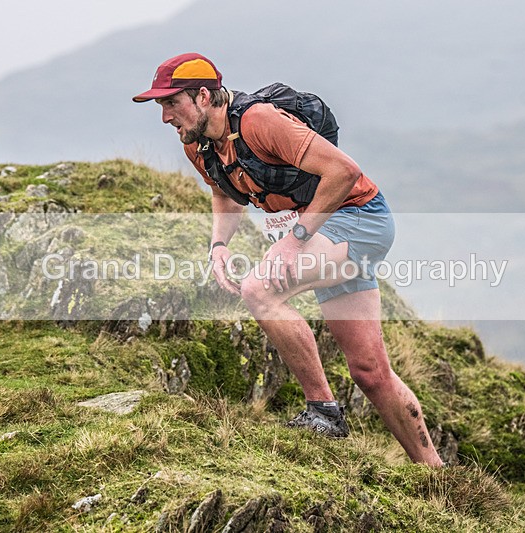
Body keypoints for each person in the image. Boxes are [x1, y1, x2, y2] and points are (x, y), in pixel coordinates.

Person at [132, 53, 443, 466]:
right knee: (369, 371)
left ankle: (323, 413)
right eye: (160, 107)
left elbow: (344, 172)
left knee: (259, 290)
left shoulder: (260, 121)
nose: (165, 117)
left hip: (359, 219)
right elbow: (225, 192)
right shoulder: (199, 145)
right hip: (326, 232)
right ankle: (437, 475)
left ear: (203, 96)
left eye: (171, 103)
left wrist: (295, 239)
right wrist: (219, 245)